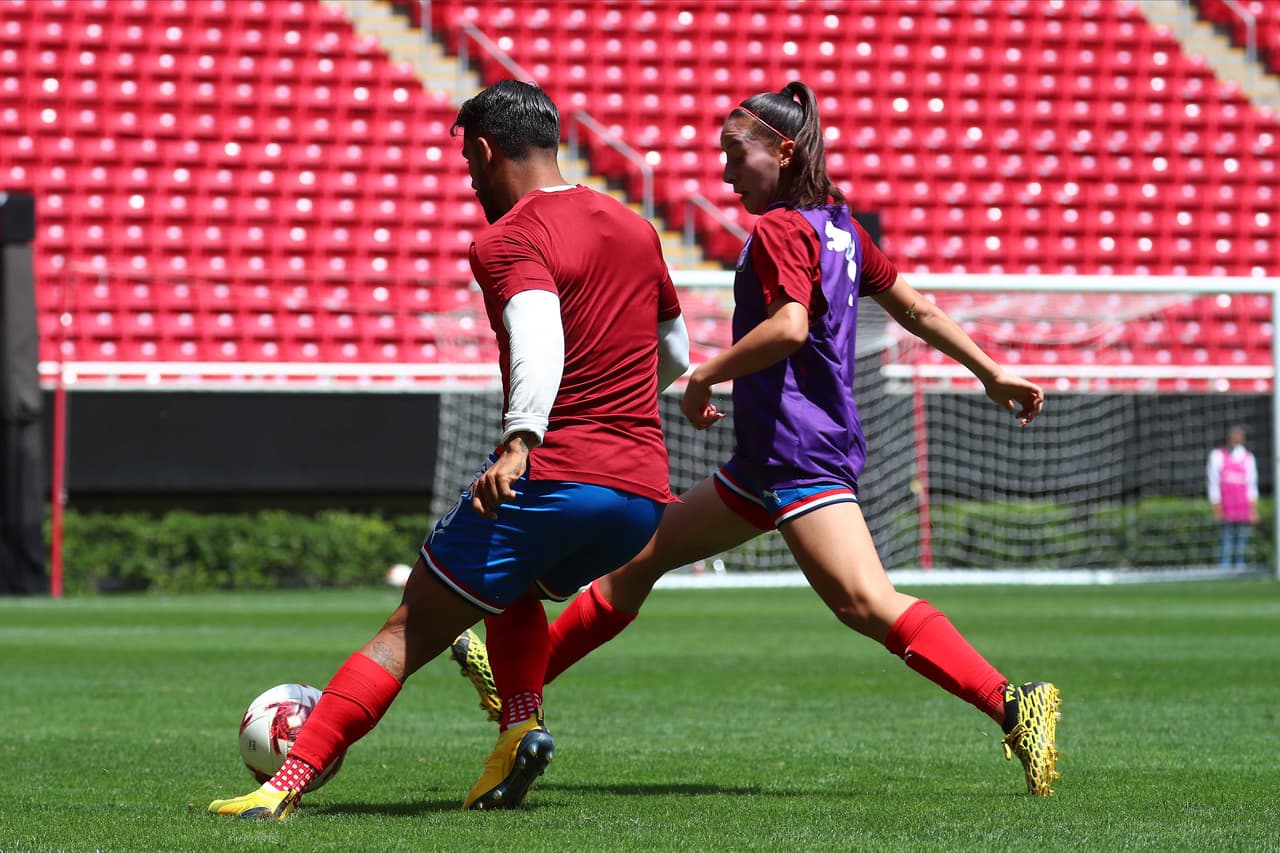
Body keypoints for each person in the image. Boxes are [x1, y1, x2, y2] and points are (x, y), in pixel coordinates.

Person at [453, 80, 1062, 799]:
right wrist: (990, 371)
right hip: (766, 459)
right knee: (637, 562)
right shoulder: (839, 226)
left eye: (735, 154)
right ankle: (521, 683)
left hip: (796, 453)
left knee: (865, 601)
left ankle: (1015, 703)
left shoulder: (778, 231)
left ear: (783, 149)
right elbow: (917, 307)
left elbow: (791, 327)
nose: (725, 170)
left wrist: (705, 375)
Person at [207, 79, 690, 819]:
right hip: (641, 493)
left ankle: (285, 781)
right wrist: (693, 385)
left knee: (410, 626)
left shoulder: (510, 236)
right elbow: (669, 339)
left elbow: (537, 329)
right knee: (517, 588)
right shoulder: (634, 225)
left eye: (469, 162)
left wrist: (521, 437)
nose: (468, 179)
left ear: (488, 150)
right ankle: (519, 724)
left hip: (558, 471)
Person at [1207, 425, 1258, 567]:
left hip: (1242, 507)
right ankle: (1224, 565)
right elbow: (1213, 484)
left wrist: (1253, 510)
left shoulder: (1248, 458)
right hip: (1226, 506)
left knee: (1241, 538)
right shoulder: (1217, 455)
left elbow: (1252, 486)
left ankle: (1240, 564)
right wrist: (1216, 506)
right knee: (1226, 538)